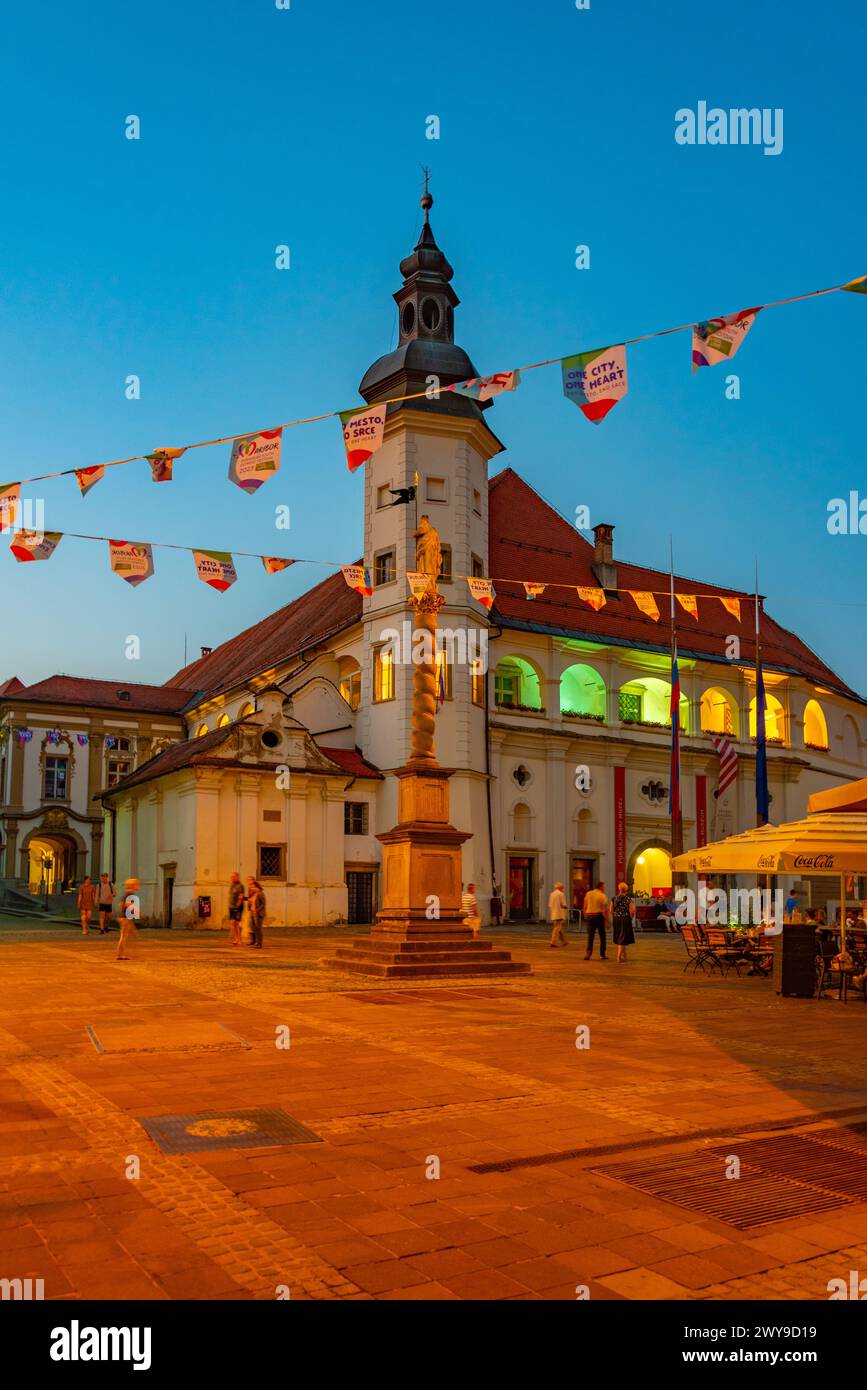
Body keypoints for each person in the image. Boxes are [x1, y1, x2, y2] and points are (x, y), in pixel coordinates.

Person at [582, 881, 608, 960]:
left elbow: (585, 905)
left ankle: (588, 953)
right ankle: (602, 954)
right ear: (600, 887)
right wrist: (607, 921)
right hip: (598, 916)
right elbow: (604, 910)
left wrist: (584, 914)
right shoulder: (602, 895)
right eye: (604, 887)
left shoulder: (589, 893)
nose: (605, 888)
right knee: (602, 936)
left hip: (590, 916)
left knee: (590, 936)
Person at [610, 881, 635, 963]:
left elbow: (611, 910)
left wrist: (616, 915)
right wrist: (630, 918)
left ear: (619, 889)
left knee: (620, 937)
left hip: (616, 919)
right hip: (625, 919)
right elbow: (632, 911)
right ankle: (619, 957)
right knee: (622, 938)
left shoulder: (613, 898)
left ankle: (624, 955)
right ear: (626, 890)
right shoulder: (628, 899)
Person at [116, 877, 140, 961]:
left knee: (124, 936)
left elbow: (122, 904)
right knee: (123, 937)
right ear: (133, 885)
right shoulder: (130, 894)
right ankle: (120, 955)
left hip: (126, 917)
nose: (138, 885)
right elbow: (123, 904)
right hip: (125, 917)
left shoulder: (128, 893)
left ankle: (121, 954)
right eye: (137, 884)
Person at [548, 881, 569, 948]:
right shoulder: (561, 894)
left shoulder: (552, 894)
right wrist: (566, 907)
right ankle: (553, 942)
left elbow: (550, 905)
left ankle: (564, 941)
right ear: (560, 888)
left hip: (553, 913)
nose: (563, 888)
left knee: (558, 928)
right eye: (562, 887)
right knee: (557, 928)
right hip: (559, 913)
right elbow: (563, 904)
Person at [247, 877, 266, 949]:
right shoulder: (253, 894)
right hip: (252, 912)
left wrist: (257, 910)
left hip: (258, 913)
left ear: (257, 887)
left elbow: (263, 904)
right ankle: (254, 942)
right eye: (251, 886)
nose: (251, 888)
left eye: (253, 886)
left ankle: (259, 944)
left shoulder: (260, 893)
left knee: (258, 928)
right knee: (252, 927)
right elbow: (251, 902)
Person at [227, 872, 244, 946]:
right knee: (232, 923)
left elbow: (241, 897)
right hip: (231, 906)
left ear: (237, 877)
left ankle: (239, 939)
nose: (232, 878)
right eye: (231, 877)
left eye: (234, 877)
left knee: (236, 923)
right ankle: (235, 939)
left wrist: (237, 906)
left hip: (237, 907)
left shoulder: (240, 886)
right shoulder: (232, 885)